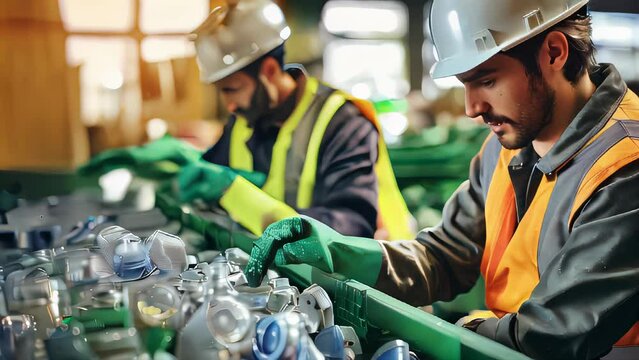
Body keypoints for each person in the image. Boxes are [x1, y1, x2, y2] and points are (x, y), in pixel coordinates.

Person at [244, 0, 639, 358]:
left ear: (554, 52)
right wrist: (344, 252)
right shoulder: (506, 146)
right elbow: (446, 256)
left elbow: (552, 336)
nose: (471, 108)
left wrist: (459, 328)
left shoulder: (624, 167)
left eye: (486, 80)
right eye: (464, 85)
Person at [79, 0, 414, 240]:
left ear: (269, 71)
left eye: (233, 89)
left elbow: (350, 227)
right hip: (299, 281)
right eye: (221, 92)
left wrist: (235, 193)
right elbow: (215, 174)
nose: (229, 104)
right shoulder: (246, 119)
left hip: (384, 293)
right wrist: (177, 162)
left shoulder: (342, 123)